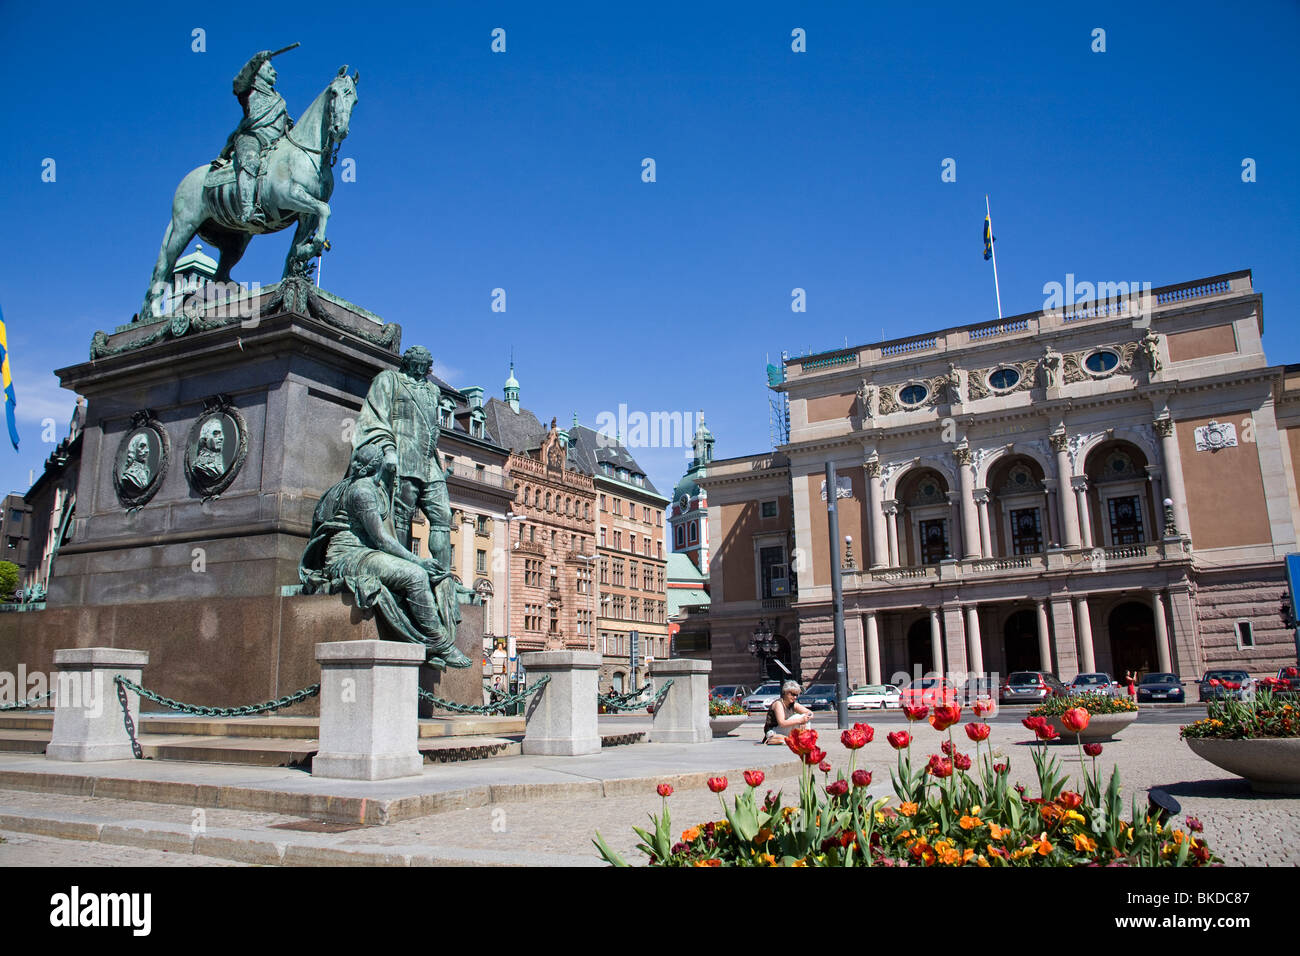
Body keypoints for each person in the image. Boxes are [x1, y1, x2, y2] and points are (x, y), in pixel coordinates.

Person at [222, 50, 295, 225]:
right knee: (250, 160)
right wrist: (257, 59)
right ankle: (247, 210)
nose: (274, 72)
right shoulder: (248, 90)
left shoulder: (279, 100)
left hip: (276, 142)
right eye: (269, 68)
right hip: (253, 137)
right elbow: (238, 81)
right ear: (257, 71)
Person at [761, 680, 813, 745]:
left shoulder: (793, 704)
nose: (795, 697)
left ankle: (805, 739)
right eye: (793, 694)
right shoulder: (778, 704)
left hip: (784, 730)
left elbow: (810, 712)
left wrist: (804, 720)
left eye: (797, 695)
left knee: (805, 717)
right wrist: (800, 720)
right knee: (798, 716)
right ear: (785, 692)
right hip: (773, 731)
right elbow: (782, 723)